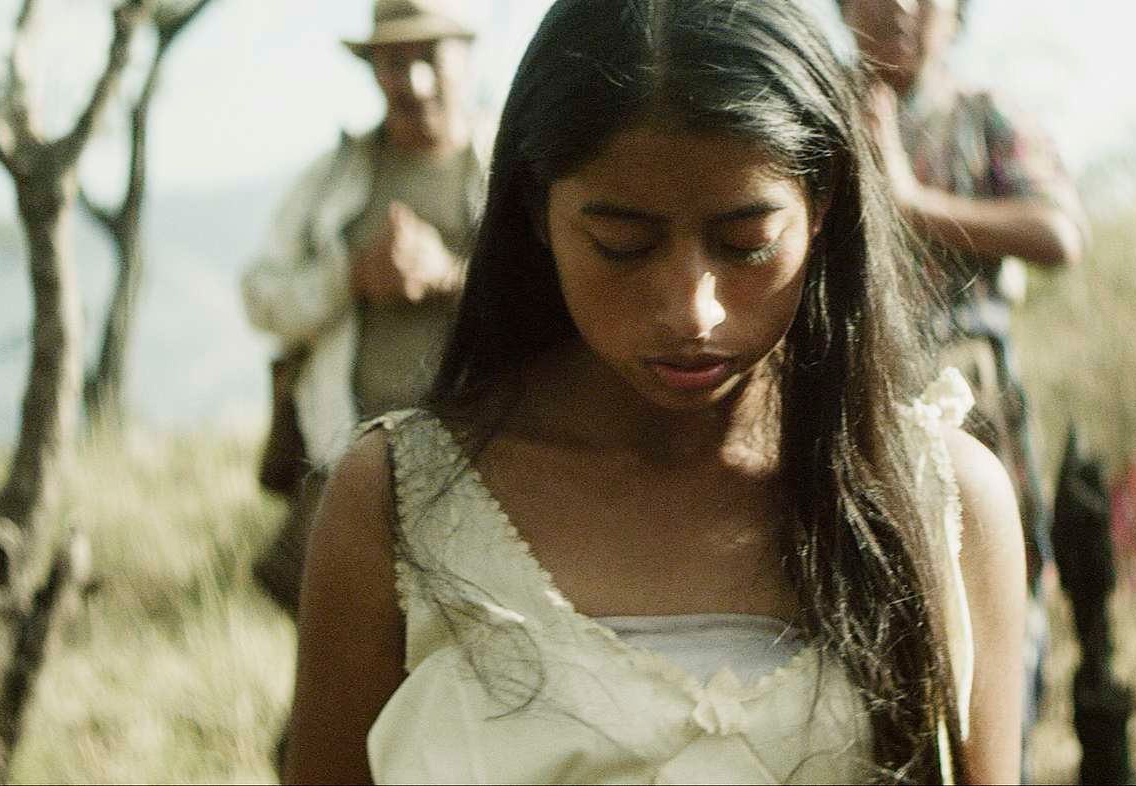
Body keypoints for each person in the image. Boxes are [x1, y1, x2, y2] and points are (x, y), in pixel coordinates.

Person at [282, 0, 1029, 782]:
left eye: (746, 243)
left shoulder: (938, 500)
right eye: (623, 245)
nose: (691, 312)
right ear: (536, 210)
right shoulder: (401, 503)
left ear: (824, 204)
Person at [836, 0, 1133, 781]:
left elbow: (1059, 231)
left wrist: (912, 201)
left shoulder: (984, 117)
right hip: (842, 412)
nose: (900, 7)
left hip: (972, 410)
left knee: (991, 638)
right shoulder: (815, 105)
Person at [239, 0, 486, 618]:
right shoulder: (333, 179)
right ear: (374, 69)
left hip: (484, 468)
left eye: (429, 57)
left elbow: (566, 301)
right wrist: (350, 277)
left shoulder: (515, 168)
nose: (415, 82)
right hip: (346, 466)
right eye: (396, 62)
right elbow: (260, 296)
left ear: (464, 58)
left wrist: (449, 276)